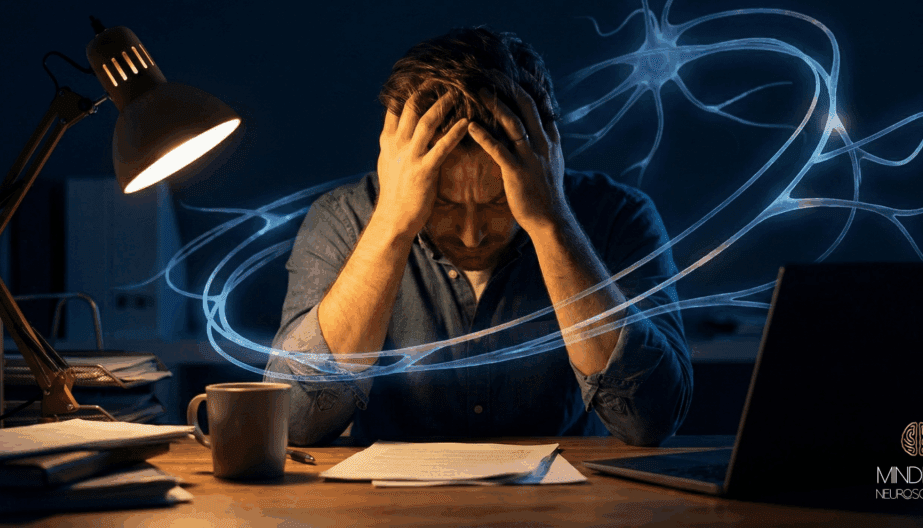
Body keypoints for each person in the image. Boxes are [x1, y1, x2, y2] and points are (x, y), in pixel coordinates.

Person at [265, 26, 692, 446]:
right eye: (444, 204)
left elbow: (650, 421)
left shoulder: (619, 217)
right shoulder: (343, 221)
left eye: (499, 202)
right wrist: (393, 223)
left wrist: (551, 221)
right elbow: (296, 423)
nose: (471, 236)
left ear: (546, 155)